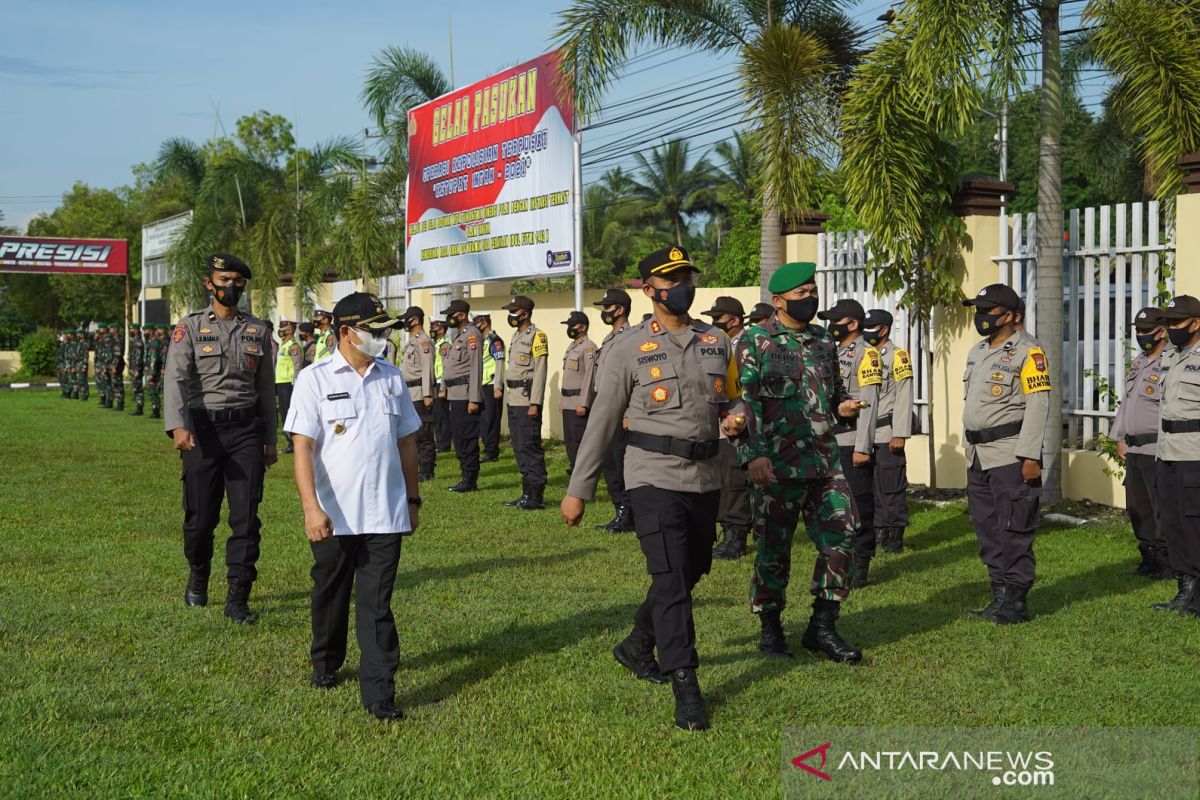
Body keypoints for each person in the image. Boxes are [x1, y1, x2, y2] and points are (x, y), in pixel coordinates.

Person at [561, 244, 742, 732]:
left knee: (692, 568)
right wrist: (580, 488)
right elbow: (601, 422)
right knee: (669, 579)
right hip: (651, 474)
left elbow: (731, 401)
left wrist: (738, 418)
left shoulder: (716, 341)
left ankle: (637, 644)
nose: (683, 285)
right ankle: (686, 682)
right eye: (673, 279)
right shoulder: (626, 349)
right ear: (650, 290)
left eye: (687, 276)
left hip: (705, 476)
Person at [285, 292, 422, 722]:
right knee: (330, 592)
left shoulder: (392, 378)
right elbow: (302, 446)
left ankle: (380, 693)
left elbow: (407, 444)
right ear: (346, 332)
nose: (381, 338)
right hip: (333, 513)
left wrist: (413, 501)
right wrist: (310, 507)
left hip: (385, 511)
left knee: (376, 604)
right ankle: (326, 662)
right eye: (373, 331)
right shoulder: (314, 379)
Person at [735, 262, 865, 664]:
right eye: (802, 294)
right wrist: (752, 455)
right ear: (778, 301)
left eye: (813, 291)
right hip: (776, 463)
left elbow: (834, 395)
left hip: (824, 460)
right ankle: (771, 629)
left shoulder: (823, 340)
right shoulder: (753, 341)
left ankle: (822, 626)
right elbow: (744, 403)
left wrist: (844, 406)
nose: (811, 299)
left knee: (843, 534)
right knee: (774, 549)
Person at [164, 253, 278, 624]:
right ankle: (198, 573)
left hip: (246, 431)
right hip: (202, 430)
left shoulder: (258, 330)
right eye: (224, 278)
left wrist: (270, 438)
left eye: (238, 281)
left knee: (245, 518)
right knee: (200, 518)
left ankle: (238, 596)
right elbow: (176, 378)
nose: (231, 286)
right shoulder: (191, 327)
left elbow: (265, 390)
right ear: (208, 283)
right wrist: (177, 426)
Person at [961, 283, 1050, 624]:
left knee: (1014, 527)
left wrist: (1030, 457)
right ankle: (998, 594)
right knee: (987, 526)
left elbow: (1038, 404)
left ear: (1012, 316)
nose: (981, 317)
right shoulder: (978, 351)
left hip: (1010, 454)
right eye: (978, 310)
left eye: (989, 311)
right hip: (979, 454)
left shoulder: (1030, 352)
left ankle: (1015, 600)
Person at [817, 299, 881, 587]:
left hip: (852, 440)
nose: (831, 327)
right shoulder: (831, 351)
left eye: (836, 321)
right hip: (830, 440)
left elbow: (869, 403)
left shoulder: (867, 355)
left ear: (852, 324)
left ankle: (863, 562)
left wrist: (862, 447)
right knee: (835, 508)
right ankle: (841, 559)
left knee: (860, 505)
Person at [1110, 307, 1171, 580]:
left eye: (1146, 330)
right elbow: (1127, 403)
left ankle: (1165, 559)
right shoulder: (1139, 362)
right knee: (1138, 506)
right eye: (1138, 330)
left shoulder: (1171, 361)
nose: (1141, 335)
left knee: (1160, 505)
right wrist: (1119, 437)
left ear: (1162, 331)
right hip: (1134, 448)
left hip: (1157, 446)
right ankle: (1147, 554)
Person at [1152, 295, 1200, 615]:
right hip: (1167, 451)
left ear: (1195, 323)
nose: (1170, 329)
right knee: (1173, 523)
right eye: (1167, 323)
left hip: (1194, 453)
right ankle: (1185, 588)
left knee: (1194, 524)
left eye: (1176, 323)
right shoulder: (1171, 355)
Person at [704, 296, 753, 559]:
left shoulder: (747, 345)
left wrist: (740, 419)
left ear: (734, 320)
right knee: (724, 479)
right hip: (722, 422)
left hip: (741, 421)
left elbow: (751, 388)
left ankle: (737, 535)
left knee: (735, 482)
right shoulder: (719, 344)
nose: (714, 323)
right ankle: (728, 529)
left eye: (718, 318)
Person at [863, 309, 914, 554]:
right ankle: (876, 531)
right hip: (865, 433)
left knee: (890, 486)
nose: (866, 330)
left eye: (871, 326)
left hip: (887, 431)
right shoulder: (862, 354)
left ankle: (893, 536)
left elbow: (904, 394)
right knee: (869, 486)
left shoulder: (898, 356)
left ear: (883, 329)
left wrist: (900, 432)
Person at [591, 288, 635, 533]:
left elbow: (631, 379)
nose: (604, 312)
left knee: (621, 464)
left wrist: (628, 413)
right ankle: (619, 509)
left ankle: (628, 514)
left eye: (607, 308)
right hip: (605, 407)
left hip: (621, 410)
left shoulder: (629, 338)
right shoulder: (610, 338)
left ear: (620, 309)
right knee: (609, 463)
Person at [502, 295, 549, 510]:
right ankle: (526, 492)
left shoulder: (537, 336)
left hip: (527, 400)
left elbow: (540, 372)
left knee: (530, 447)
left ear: (525, 313)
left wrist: (535, 403)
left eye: (514, 311)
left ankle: (536, 495)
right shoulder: (516, 335)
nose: (510, 315)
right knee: (519, 447)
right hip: (514, 399)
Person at [438, 299, 484, 493]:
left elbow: (475, 368)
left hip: (466, 395)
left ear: (462, 315)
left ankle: (470, 479)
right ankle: (464, 476)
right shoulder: (458, 337)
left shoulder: (472, 336)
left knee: (467, 438)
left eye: (452, 314)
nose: (449, 318)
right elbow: (450, 367)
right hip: (454, 395)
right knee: (458, 437)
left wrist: (474, 398)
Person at [398, 306, 438, 481]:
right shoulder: (412, 342)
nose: (405, 322)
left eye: (407, 319)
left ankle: (427, 470)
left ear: (414, 320)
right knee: (412, 433)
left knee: (423, 433)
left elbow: (427, 368)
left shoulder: (424, 342)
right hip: (409, 392)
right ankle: (418, 467)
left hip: (420, 393)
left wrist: (427, 394)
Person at [559, 310, 597, 473]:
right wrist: (562, 401)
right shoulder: (572, 346)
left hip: (578, 404)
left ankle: (582, 475)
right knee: (569, 441)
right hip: (568, 403)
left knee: (579, 441)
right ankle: (574, 472)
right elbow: (567, 376)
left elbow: (590, 377)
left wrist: (584, 404)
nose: (569, 329)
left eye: (572, 326)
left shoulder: (589, 347)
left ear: (582, 327)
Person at [474, 312, 505, 463]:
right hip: (483, 385)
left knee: (491, 420)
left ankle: (492, 452)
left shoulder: (495, 341)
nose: (475, 325)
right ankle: (487, 448)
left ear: (485, 322)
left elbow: (499, 363)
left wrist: (498, 386)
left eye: (477, 322)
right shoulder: (483, 340)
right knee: (484, 420)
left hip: (492, 385)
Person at [274, 320, 304, 454]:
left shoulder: (293, 346)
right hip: (280, 382)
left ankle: (293, 443)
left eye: (283, 327)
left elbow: (297, 366)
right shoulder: (284, 345)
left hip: (288, 384)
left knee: (289, 413)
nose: (280, 329)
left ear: (290, 329)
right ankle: (290, 442)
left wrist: (296, 383)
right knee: (284, 413)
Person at [429, 319, 452, 453]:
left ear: (442, 330)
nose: (432, 330)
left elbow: (446, 367)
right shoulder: (436, 344)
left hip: (441, 383)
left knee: (442, 415)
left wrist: (443, 387)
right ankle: (440, 442)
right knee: (437, 415)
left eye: (434, 327)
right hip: (435, 382)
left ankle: (444, 444)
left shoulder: (444, 345)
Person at [146, 325, 164, 417]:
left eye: (146, 330)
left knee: (153, 391)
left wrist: (152, 372)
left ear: (151, 331)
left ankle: (156, 411)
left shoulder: (154, 343)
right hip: (151, 370)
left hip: (154, 371)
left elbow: (154, 359)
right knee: (152, 391)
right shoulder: (151, 342)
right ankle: (155, 410)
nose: (145, 332)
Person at [128, 323, 146, 415]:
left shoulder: (138, 342)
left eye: (133, 329)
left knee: (138, 389)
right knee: (135, 388)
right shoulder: (133, 340)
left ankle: (139, 408)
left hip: (136, 369)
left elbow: (139, 357)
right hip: (133, 368)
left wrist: (138, 370)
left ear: (136, 330)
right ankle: (137, 407)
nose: (131, 331)